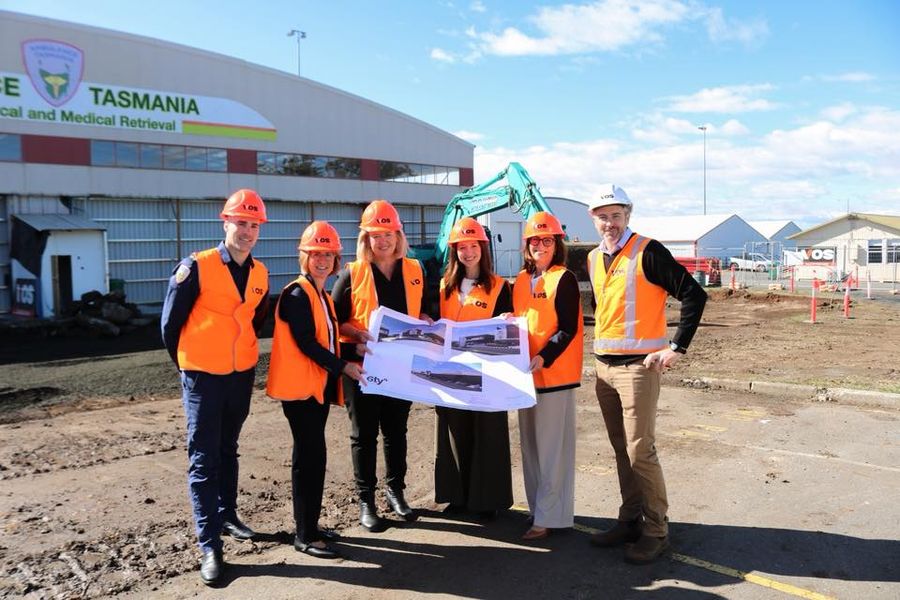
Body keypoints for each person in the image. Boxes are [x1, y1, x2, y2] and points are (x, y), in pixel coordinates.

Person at [586, 184, 707, 564]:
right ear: (594, 219)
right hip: (603, 366)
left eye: (616, 215)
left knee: (641, 450)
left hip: (639, 367)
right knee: (622, 449)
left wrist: (676, 346)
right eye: (603, 216)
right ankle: (629, 519)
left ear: (628, 215)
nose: (610, 222)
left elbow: (694, 293)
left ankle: (656, 530)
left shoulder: (647, 251)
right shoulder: (592, 258)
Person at [161, 189, 269, 586]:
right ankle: (209, 545)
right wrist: (190, 367)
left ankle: (227, 516)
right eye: (241, 223)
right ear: (225, 223)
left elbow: (254, 322)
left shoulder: (260, 272)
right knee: (205, 458)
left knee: (228, 449)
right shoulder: (196, 266)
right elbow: (170, 326)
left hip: (239, 376)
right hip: (203, 378)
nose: (247, 231)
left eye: (254, 225)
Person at [267, 221, 365, 559]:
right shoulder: (297, 294)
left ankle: (310, 526)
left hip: (315, 389)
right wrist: (345, 367)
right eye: (315, 254)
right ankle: (305, 535)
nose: (322, 260)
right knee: (309, 459)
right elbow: (307, 343)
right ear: (304, 257)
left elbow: (328, 340)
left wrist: (354, 351)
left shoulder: (321, 294)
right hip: (300, 392)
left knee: (313, 457)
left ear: (336, 259)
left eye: (328, 254)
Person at [331, 199, 429, 532]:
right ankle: (366, 501)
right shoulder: (353, 273)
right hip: (361, 368)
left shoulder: (415, 270)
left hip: (401, 368)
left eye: (388, 233)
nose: (383, 241)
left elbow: (425, 313)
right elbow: (333, 322)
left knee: (396, 431)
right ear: (366, 239)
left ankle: (395, 491)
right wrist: (356, 333)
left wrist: (428, 326)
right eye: (375, 235)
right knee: (364, 435)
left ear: (398, 235)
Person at [434, 217, 514, 518]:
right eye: (462, 247)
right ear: (454, 251)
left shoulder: (499, 287)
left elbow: (510, 328)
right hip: (451, 373)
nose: (468, 252)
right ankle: (458, 498)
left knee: (487, 435)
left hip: (487, 374)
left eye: (473, 246)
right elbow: (433, 322)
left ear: (483, 248)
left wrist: (508, 323)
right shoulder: (444, 286)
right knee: (455, 432)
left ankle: (487, 502)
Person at [512, 212, 584, 540]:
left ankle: (549, 517)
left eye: (547, 240)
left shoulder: (563, 278)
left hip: (554, 376)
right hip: (524, 377)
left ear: (557, 245)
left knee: (552, 451)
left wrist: (545, 356)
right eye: (535, 240)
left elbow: (567, 328)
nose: (541, 245)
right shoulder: (519, 281)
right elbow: (519, 322)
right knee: (531, 448)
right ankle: (536, 510)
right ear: (526, 246)